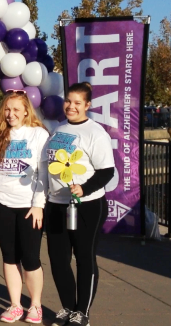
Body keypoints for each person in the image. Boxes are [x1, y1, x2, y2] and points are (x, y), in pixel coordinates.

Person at [45, 82, 115, 326]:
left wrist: (84, 188)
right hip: (56, 203)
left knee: (84, 258)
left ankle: (82, 312)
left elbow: (107, 171)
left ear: (88, 105)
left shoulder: (95, 133)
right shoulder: (58, 129)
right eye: (68, 101)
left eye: (77, 103)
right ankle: (67, 307)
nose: (71, 106)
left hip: (87, 205)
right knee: (58, 258)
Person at [0, 90, 49, 324]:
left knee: (30, 257)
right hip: (1, 203)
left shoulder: (38, 134)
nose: (11, 114)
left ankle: (35, 305)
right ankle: (15, 305)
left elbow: (44, 173)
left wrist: (39, 204)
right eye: (7, 110)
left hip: (29, 205)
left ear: (26, 111)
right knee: (9, 257)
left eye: (16, 110)